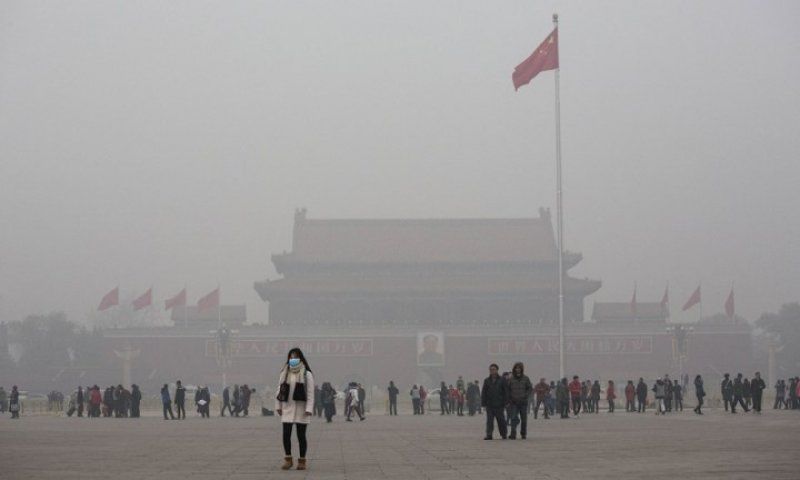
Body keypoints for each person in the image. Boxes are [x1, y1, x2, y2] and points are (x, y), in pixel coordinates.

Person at [275, 347, 315, 471]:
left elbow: (310, 393)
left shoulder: (306, 374)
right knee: (286, 435)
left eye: (295, 357)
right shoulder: (285, 372)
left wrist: (309, 408)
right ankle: (288, 459)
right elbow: (279, 390)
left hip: (301, 409)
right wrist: (278, 406)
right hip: (287, 408)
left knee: (301, 436)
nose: (293, 359)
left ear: (300, 358)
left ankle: (302, 461)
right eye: (291, 357)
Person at [481, 363, 507, 440]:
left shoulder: (502, 380)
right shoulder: (487, 380)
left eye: (494, 369)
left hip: (499, 404)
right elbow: (484, 392)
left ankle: (503, 434)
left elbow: (506, 391)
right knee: (489, 421)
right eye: (491, 370)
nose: (492, 371)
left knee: (501, 420)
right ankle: (489, 434)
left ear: (497, 370)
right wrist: (483, 403)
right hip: (490, 404)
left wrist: (506, 402)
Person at [506, 362, 532, 439]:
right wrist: (510, 398)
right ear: (514, 369)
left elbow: (529, 388)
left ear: (521, 369)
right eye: (516, 368)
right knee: (513, 418)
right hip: (514, 402)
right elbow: (508, 390)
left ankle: (523, 434)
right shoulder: (511, 379)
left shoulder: (526, 378)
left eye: (519, 368)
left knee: (524, 419)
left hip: (523, 402)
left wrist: (525, 396)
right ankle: (513, 433)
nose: (518, 369)